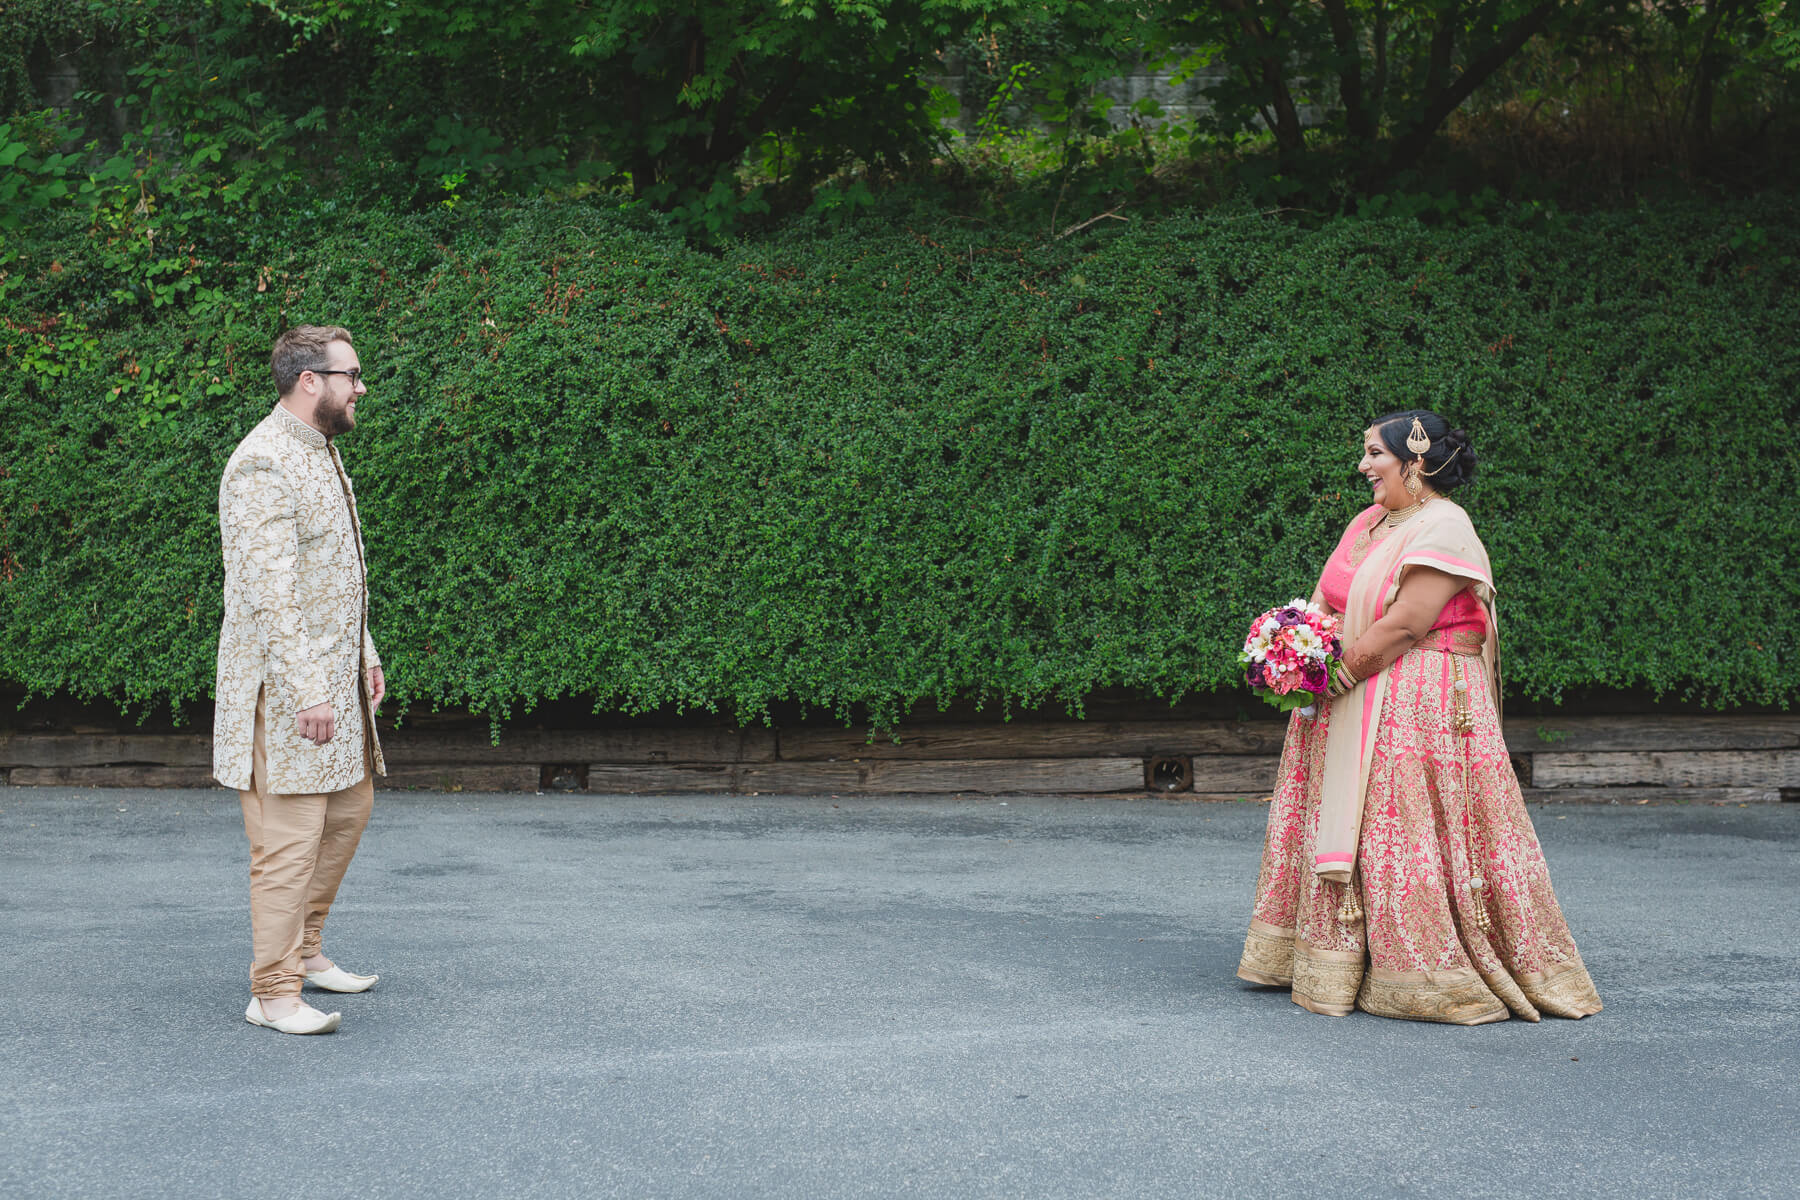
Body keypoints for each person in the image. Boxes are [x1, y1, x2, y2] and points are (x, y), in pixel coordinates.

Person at [1236, 410, 1601, 1024]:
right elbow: (1328, 597)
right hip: (1352, 688)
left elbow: (1410, 621)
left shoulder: (1446, 526)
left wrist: (1338, 675)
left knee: (1398, 826)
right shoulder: (1369, 522)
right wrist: (1295, 651)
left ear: (1418, 461)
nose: (1363, 465)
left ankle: (1425, 970)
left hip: (1420, 698)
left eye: (1374, 453)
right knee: (1360, 825)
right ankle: (1342, 959)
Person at [213, 325, 389, 1035]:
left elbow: (337, 576)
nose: (361, 386)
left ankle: (308, 953)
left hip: (331, 680)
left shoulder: (320, 451)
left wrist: (364, 653)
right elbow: (271, 593)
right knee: (288, 843)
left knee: (347, 815)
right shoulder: (262, 465)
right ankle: (274, 992)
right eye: (352, 373)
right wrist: (310, 688)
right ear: (310, 380)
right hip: (285, 692)